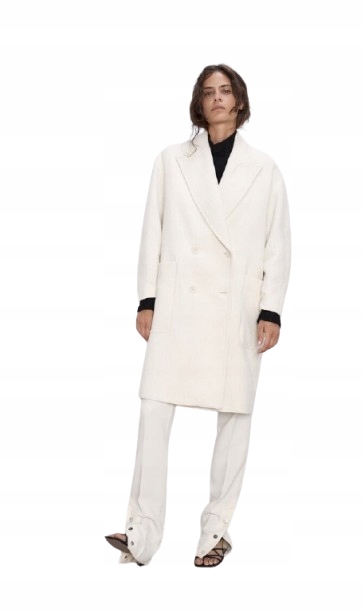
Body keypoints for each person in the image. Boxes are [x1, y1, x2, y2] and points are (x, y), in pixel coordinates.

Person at [105, 64, 291, 567]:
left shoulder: (265, 169)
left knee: (235, 419)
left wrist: (271, 309)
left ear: (239, 102)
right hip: (178, 303)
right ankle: (141, 533)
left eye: (225, 91)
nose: (217, 99)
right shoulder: (171, 161)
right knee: (153, 410)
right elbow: (152, 229)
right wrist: (147, 299)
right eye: (208, 92)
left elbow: (277, 244)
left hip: (237, 308)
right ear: (199, 102)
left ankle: (215, 532)